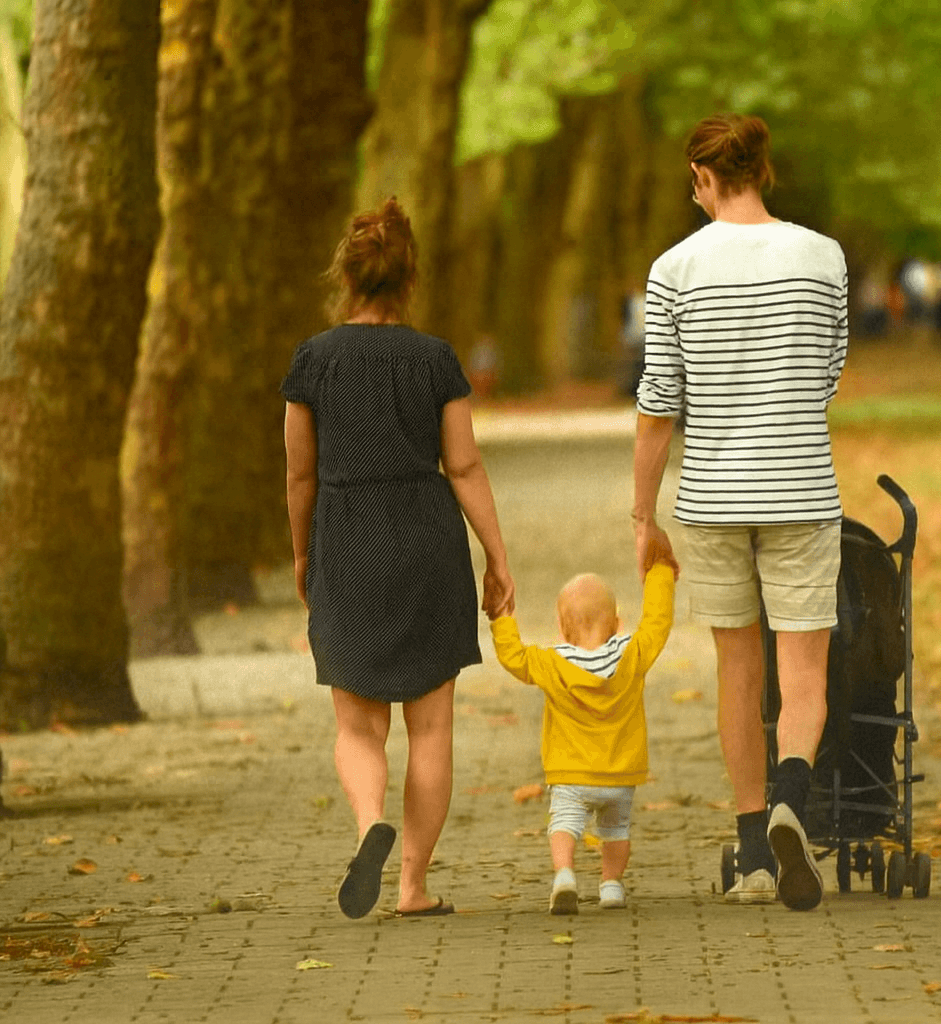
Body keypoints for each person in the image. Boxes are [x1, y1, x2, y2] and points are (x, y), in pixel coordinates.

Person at [632, 113, 848, 912]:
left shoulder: (674, 269)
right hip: (799, 489)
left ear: (703, 179)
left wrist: (640, 513)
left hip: (712, 499)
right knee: (804, 670)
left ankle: (755, 850)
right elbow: (829, 373)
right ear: (765, 170)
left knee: (737, 669)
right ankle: (795, 792)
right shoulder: (822, 256)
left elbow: (659, 404)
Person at [282, 197, 515, 920]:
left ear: (346, 276)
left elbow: (299, 474)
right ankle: (412, 886)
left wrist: (301, 555)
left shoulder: (313, 361)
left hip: (347, 537)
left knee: (358, 726)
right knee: (433, 728)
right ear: (408, 279)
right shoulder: (435, 358)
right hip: (426, 538)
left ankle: (367, 825)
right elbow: (466, 466)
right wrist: (497, 558)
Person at [489, 560, 676, 915]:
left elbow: (513, 657)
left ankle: (564, 876)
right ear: (617, 624)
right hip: (621, 775)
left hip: (571, 775)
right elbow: (658, 623)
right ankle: (612, 887)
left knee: (563, 824)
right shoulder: (633, 654)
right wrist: (660, 574)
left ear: (561, 628)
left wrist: (502, 616)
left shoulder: (550, 663)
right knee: (616, 829)